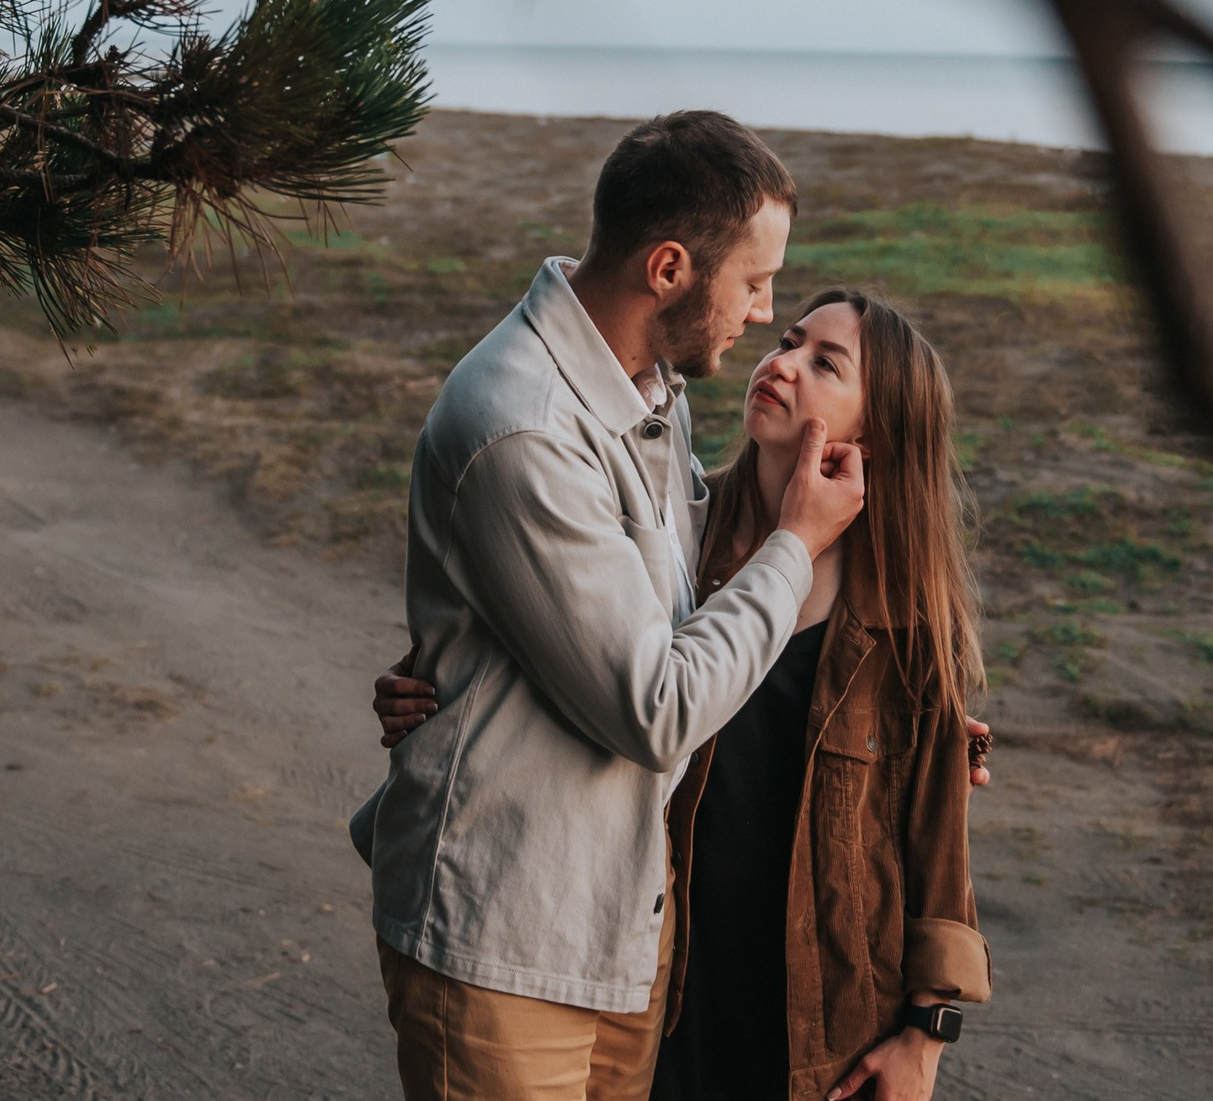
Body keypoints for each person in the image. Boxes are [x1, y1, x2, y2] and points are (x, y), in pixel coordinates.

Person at [349, 111, 868, 1101]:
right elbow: (655, 703)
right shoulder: (521, 428)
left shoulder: (647, 387)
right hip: (503, 935)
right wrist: (799, 540)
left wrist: (907, 709)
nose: (762, 315)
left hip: (620, 924)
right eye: (754, 284)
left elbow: (677, 588)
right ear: (669, 267)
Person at [382, 289, 991, 1101]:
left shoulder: (908, 621)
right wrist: (439, 688)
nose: (781, 364)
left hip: (819, 1016)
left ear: (873, 433)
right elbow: (564, 640)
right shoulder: (675, 533)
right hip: (658, 978)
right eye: (788, 340)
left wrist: (926, 1035)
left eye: (824, 364)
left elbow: (935, 853)